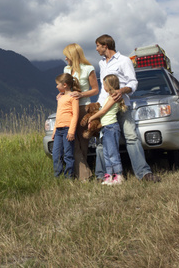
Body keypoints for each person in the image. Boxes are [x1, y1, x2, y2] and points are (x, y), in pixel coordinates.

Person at [95, 34, 161, 182]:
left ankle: (143, 173)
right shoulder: (101, 64)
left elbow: (133, 82)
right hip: (106, 106)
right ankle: (101, 175)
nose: (96, 48)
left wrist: (121, 91)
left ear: (106, 46)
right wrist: (99, 106)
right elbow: (102, 88)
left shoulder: (124, 61)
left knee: (131, 137)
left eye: (98, 45)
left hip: (122, 106)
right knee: (101, 141)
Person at [62, 43, 99, 181]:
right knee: (72, 142)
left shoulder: (89, 69)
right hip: (70, 108)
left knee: (83, 142)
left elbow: (95, 89)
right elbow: (66, 88)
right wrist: (61, 94)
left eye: (67, 55)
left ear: (72, 55)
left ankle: (82, 175)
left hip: (84, 107)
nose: (65, 59)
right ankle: (85, 175)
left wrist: (81, 94)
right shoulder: (66, 69)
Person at [87, 74, 126, 185]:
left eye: (104, 84)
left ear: (109, 85)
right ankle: (108, 176)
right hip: (105, 128)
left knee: (113, 153)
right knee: (106, 153)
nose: (103, 87)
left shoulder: (113, 97)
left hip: (111, 127)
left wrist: (91, 118)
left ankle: (118, 175)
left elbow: (103, 111)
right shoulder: (109, 97)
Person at [52, 73, 80, 178]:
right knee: (56, 154)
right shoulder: (60, 97)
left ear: (64, 85)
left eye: (57, 84)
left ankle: (69, 177)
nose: (56, 86)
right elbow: (58, 115)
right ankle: (57, 176)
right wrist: (55, 130)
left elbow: (75, 115)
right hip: (58, 130)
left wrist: (72, 131)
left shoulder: (73, 97)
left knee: (68, 155)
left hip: (68, 129)